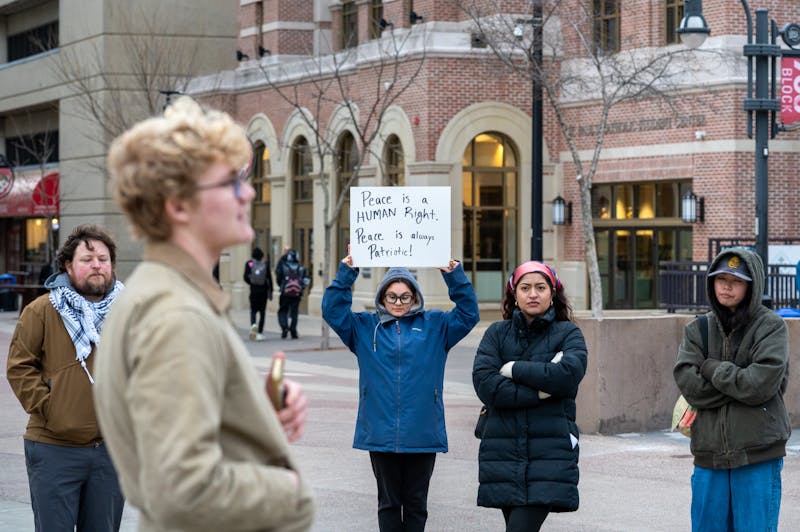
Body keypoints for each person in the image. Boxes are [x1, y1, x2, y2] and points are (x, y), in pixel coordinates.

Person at [96, 96, 314, 531]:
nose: (248, 192)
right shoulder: (176, 314)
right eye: (231, 182)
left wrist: (251, 414)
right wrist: (288, 490)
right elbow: (182, 488)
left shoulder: (162, 295)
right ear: (178, 206)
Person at [322, 252, 479, 532]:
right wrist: (347, 272)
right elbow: (332, 311)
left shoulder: (436, 326)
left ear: (414, 297)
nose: (398, 303)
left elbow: (469, 315)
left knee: (416, 503)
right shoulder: (363, 328)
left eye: (404, 297)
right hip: (381, 432)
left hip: (422, 430)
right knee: (389, 503)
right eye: (392, 297)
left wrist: (454, 276)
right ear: (382, 297)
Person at [7, 224, 125, 532]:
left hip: (110, 452)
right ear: (68, 266)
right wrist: (52, 408)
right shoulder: (42, 311)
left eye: (103, 258)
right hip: (53, 449)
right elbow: (20, 366)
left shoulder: (130, 313)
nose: (97, 265)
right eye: (87, 259)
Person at [674, 248, 789, 532]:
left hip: (757, 452)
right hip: (708, 453)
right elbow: (689, 384)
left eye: (735, 280)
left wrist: (712, 369)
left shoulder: (771, 327)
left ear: (751, 285)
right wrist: (741, 382)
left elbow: (761, 384)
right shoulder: (697, 329)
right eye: (720, 278)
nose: (726, 286)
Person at [472, 261, 587, 532]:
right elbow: (486, 385)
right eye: (525, 288)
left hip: (550, 452)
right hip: (503, 453)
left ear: (552, 293)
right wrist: (541, 390)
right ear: (514, 294)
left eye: (540, 287)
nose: (532, 294)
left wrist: (513, 369)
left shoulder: (568, 333)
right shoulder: (496, 334)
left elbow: (568, 375)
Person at [276, 249, 308, 339]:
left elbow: (278, 278)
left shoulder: (283, 266)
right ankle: (293, 331)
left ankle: (284, 328)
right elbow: (306, 281)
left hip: (285, 293)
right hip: (296, 294)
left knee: (283, 310)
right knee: (294, 312)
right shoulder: (301, 268)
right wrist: (301, 288)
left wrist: (282, 286)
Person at [244, 246, 273, 341]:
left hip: (253, 290)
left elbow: (245, 277)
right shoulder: (265, 264)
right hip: (263, 291)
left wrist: (252, 283)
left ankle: (253, 325)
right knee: (262, 312)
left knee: (253, 310)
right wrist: (271, 290)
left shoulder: (249, 264)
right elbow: (269, 278)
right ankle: (260, 331)